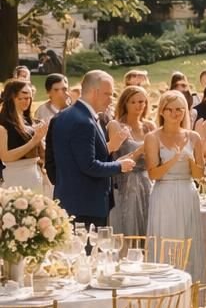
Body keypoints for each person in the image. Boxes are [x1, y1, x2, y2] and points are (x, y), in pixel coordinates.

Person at [46, 70, 135, 224]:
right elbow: (89, 165)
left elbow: (52, 162)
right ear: (95, 92)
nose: (111, 100)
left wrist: (65, 185)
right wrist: (120, 166)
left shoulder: (62, 116)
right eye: (108, 94)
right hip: (87, 205)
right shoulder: (84, 122)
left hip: (69, 201)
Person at [145, 91, 204, 281]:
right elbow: (153, 174)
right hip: (164, 192)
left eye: (179, 109)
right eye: (170, 109)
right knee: (166, 239)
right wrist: (173, 160)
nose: (175, 113)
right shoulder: (153, 137)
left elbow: (199, 175)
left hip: (188, 191)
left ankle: (190, 287)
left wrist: (191, 162)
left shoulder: (194, 137)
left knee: (188, 239)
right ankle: (164, 285)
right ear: (162, 111)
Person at [109, 86, 154, 236]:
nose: (138, 105)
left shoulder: (149, 126)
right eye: (133, 102)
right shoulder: (116, 125)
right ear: (125, 103)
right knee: (128, 227)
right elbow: (114, 159)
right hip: (126, 182)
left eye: (141, 101)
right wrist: (140, 151)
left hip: (147, 180)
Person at [0, 79, 47, 188]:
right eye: (24, 97)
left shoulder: (30, 122)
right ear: (12, 97)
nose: (27, 100)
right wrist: (34, 141)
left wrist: (41, 140)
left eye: (29, 97)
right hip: (15, 177)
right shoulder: (3, 124)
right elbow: (5, 157)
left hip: (34, 174)